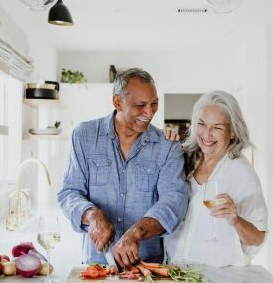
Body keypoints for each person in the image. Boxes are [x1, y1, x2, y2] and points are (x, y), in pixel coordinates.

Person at [57, 68, 189, 267]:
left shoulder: (168, 146)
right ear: (117, 102)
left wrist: (137, 232)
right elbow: (69, 192)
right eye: (140, 105)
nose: (149, 113)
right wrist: (92, 215)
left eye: (154, 104)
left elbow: (173, 202)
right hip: (96, 266)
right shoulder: (84, 136)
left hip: (147, 268)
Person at [164, 90, 268, 267]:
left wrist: (236, 220)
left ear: (233, 132)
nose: (207, 134)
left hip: (217, 275)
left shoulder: (242, 173)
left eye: (217, 127)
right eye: (202, 124)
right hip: (174, 269)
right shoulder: (183, 157)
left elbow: (257, 238)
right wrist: (163, 141)